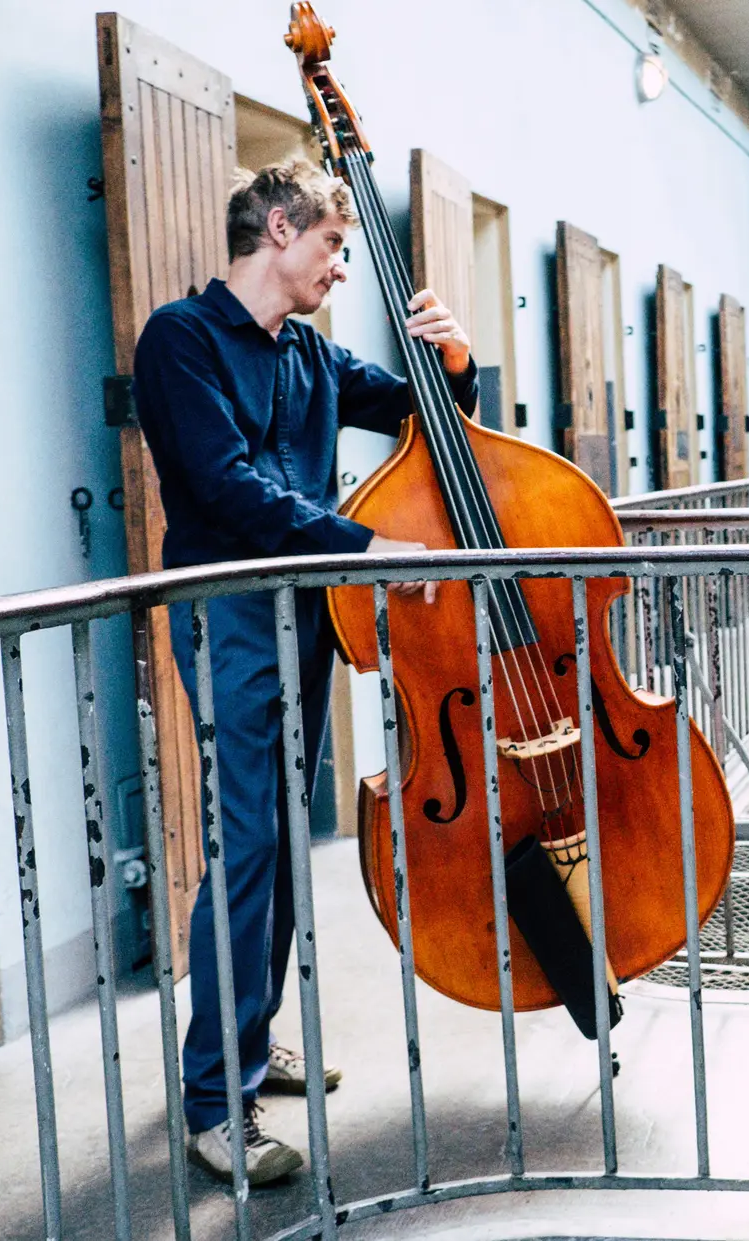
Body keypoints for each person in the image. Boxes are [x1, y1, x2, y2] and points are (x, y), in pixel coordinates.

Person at [134, 157, 474, 1184]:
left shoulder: (311, 354)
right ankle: (214, 1100)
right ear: (280, 230)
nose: (341, 265)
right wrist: (368, 547)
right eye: (333, 243)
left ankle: (249, 1035)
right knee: (247, 842)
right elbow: (228, 489)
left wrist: (454, 358)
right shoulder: (181, 339)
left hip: (307, 615)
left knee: (283, 836)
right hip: (234, 615)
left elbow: (423, 414)